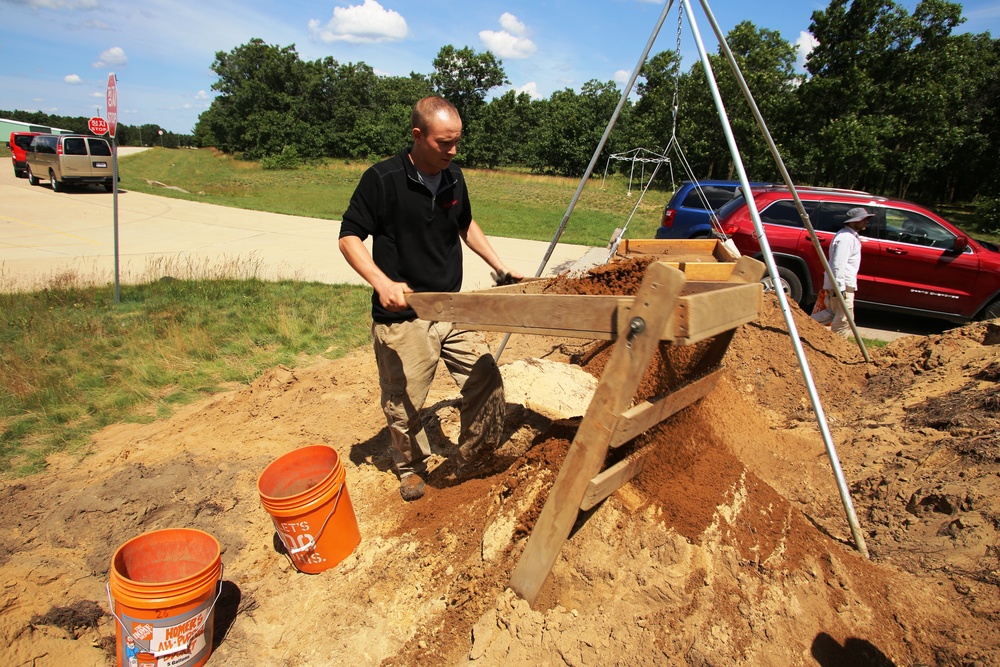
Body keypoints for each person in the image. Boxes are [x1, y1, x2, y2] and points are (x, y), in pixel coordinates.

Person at [338, 96, 523, 502]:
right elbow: (349, 236)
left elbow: (465, 223)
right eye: (445, 143)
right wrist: (382, 281)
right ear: (418, 135)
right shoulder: (382, 179)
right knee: (404, 402)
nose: (454, 151)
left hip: (450, 306)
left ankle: (475, 454)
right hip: (403, 314)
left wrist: (500, 267)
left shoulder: (453, 176)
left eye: (457, 141)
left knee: (485, 378)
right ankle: (410, 467)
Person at [811, 206, 874, 337]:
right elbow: (838, 264)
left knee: (832, 313)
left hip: (840, 286)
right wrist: (840, 288)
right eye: (863, 219)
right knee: (844, 320)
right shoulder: (846, 238)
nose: (866, 221)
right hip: (842, 286)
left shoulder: (849, 237)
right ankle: (836, 350)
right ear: (852, 221)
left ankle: (802, 326)